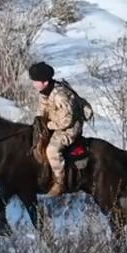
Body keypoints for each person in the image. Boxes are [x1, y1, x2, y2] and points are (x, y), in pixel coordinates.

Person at [29, 61, 83, 197]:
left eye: (35, 81)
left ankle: (60, 183)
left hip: (69, 128)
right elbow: (42, 110)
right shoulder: (44, 92)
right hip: (55, 124)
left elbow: (67, 120)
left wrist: (48, 125)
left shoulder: (60, 96)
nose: (33, 84)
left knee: (52, 150)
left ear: (45, 82)